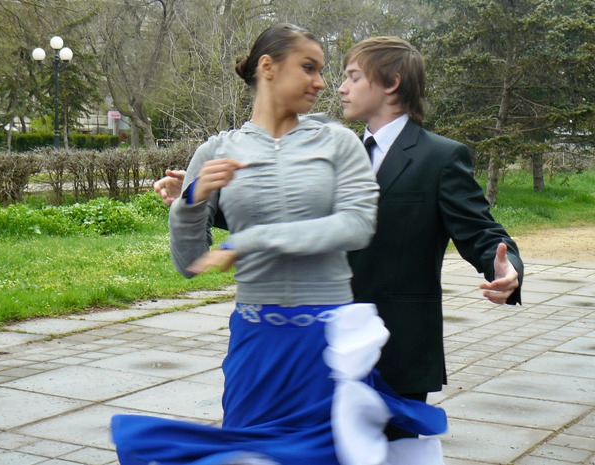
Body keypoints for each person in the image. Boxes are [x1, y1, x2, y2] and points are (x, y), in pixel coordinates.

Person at [112, 24, 447, 465]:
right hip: (257, 344)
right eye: (309, 67)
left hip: (326, 346)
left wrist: (253, 239)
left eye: (321, 70)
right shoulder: (215, 151)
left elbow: (356, 225)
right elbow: (190, 262)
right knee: (251, 454)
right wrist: (190, 203)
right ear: (268, 67)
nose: (321, 82)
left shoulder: (338, 143)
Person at [338, 36, 524, 440]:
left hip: (396, 351)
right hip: (327, 344)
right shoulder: (341, 156)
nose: (341, 88)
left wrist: (507, 269)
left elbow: (482, 231)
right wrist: (206, 201)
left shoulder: (440, 157)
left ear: (391, 83)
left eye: (353, 77)